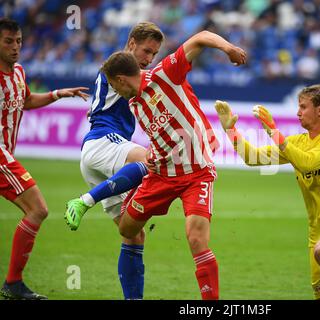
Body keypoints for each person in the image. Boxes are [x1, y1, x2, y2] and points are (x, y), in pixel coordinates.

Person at [92, 30, 246, 300]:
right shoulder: (136, 104)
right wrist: (154, 153)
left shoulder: (165, 74)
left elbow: (201, 37)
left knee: (196, 239)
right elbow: (162, 132)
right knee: (127, 229)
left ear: (120, 79)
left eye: (114, 86)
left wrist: (228, 48)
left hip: (196, 174)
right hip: (161, 175)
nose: (114, 91)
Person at [214, 84, 320, 300]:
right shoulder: (298, 142)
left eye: (303, 107)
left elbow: (308, 163)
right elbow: (252, 158)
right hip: (318, 230)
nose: (298, 112)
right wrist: (230, 130)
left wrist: (273, 131)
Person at [64, 22, 164, 300]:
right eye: (146, 51)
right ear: (131, 43)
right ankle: (85, 200)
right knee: (151, 161)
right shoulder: (120, 68)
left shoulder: (119, 69)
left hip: (95, 154)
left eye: (154, 55)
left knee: (133, 234)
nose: (148, 59)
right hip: (104, 141)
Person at [0, 18, 89, 300]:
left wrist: (58, 94)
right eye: (8, 42)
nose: (15, 47)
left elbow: (25, 100)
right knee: (38, 209)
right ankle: (13, 283)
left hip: (6, 154)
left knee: (36, 210)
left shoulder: (18, 73)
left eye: (19, 41)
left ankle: (13, 283)